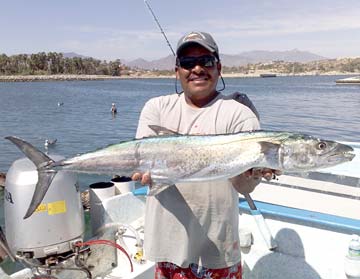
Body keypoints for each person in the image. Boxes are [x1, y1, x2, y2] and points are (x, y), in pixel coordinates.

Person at [133, 31, 280, 279]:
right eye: (188, 63)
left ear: (219, 67)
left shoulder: (239, 114)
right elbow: (141, 162)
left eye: (206, 61)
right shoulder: (156, 108)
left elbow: (244, 187)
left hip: (218, 247)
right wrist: (147, 175)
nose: (198, 69)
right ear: (177, 71)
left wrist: (256, 172)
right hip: (168, 244)